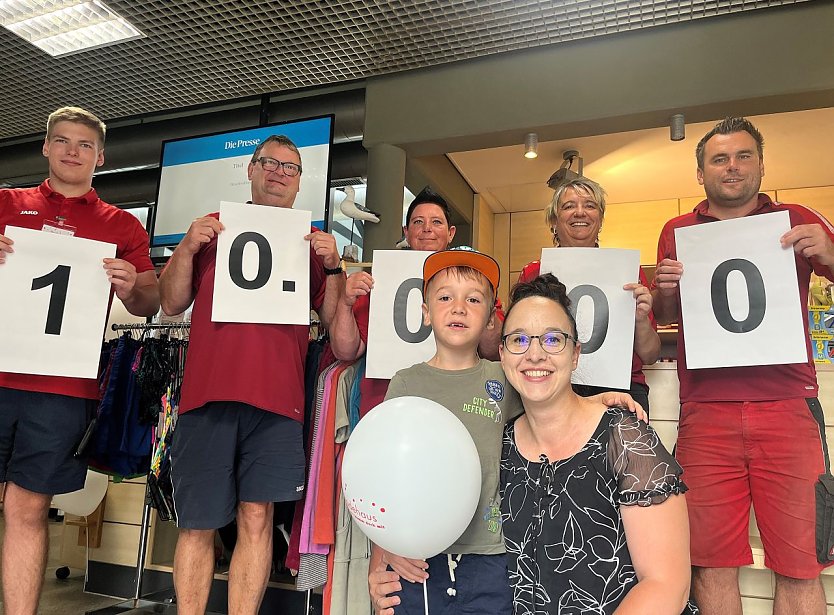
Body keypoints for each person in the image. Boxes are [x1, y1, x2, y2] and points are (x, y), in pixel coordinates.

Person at [370, 272, 691, 614]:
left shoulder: (624, 439)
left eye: (553, 339)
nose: (535, 354)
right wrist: (385, 553)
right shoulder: (502, 445)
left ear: (575, 353)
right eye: (519, 340)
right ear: (503, 355)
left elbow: (667, 584)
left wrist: (597, 403)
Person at [651, 116, 834, 614]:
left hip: (788, 405)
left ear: (761, 164)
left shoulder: (796, 217)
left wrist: (830, 251)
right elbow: (665, 317)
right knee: (709, 563)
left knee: (800, 564)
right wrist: (663, 292)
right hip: (706, 412)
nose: (732, 167)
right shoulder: (677, 230)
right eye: (720, 159)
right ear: (701, 172)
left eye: (743, 156)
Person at [158, 134, 344, 615]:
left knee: (258, 518)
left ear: (300, 182)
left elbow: (331, 320)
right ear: (251, 170)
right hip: (207, 397)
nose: (279, 173)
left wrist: (334, 267)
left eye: (290, 167)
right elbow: (171, 302)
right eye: (269, 163)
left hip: (279, 403)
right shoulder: (211, 229)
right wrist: (185, 248)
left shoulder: (311, 243)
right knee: (197, 524)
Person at [0, 106, 160, 615]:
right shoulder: (5, 203)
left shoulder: (123, 225)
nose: (73, 151)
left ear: (101, 157)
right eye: (63, 141)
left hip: (64, 388)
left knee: (28, 507)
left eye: (85, 144)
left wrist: (132, 286)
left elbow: (151, 301)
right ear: (46, 147)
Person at [371, 247, 521, 615]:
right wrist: (382, 555)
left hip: (488, 554)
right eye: (444, 297)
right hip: (416, 555)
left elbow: (552, 410)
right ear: (425, 312)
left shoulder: (503, 379)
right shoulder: (406, 383)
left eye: (473, 299)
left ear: (491, 318)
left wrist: (600, 402)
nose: (458, 308)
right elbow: (381, 476)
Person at [329, 187, 503, 416]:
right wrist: (345, 302)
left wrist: (484, 304)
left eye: (436, 222)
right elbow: (345, 351)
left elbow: (493, 351)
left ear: (451, 233)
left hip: (453, 404)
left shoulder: (475, 281)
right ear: (406, 232)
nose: (427, 228)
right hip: (385, 405)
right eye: (418, 222)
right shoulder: (381, 280)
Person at [518, 177, 660, 412]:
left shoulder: (626, 271)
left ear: (600, 219)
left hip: (620, 389)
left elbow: (650, 355)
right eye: (569, 206)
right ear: (554, 220)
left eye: (590, 205)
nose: (580, 212)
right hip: (551, 385)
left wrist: (641, 320)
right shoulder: (534, 273)